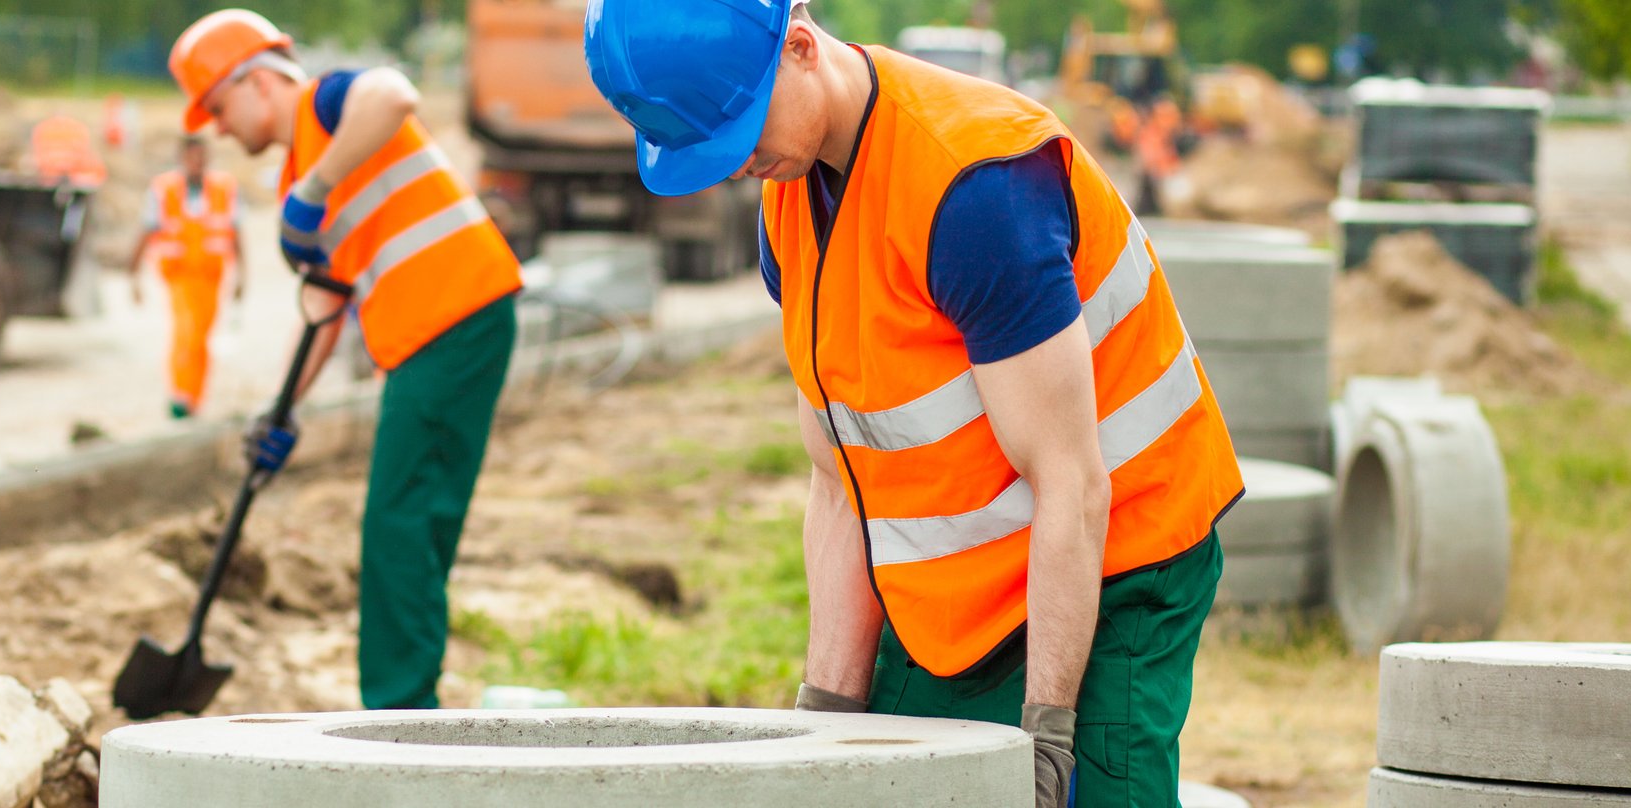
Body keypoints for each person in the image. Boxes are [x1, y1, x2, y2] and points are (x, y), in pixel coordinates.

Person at [585, 2, 1243, 806]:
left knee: (1085, 793)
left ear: (799, 43)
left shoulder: (975, 193)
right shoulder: (791, 201)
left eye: (742, 130)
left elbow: (1073, 482)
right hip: (970, 567)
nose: (736, 165)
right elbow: (839, 486)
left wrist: (1047, 737)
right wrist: (823, 718)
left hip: (1117, 552)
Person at [171, 8, 522, 710]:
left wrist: (315, 188)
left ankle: (400, 711)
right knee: (417, 520)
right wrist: (283, 411)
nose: (219, 129)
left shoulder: (328, 106)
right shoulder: (302, 173)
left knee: (397, 520)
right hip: (451, 324)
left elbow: (395, 95)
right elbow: (325, 309)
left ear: (259, 80)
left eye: (217, 106)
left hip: (450, 314)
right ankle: (410, 700)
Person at [131, 135, 246, 420]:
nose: (198, 163)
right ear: (182, 158)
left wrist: (243, 274)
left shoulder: (224, 188)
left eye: (202, 157)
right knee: (186, 334)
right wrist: (132, 273)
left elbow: (236, 232)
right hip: (179, 276)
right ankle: (180, 395)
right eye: (192, 157)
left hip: (211, 276)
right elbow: (147, 229)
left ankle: (194, 398)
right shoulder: (164, 189)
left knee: (201, 338)